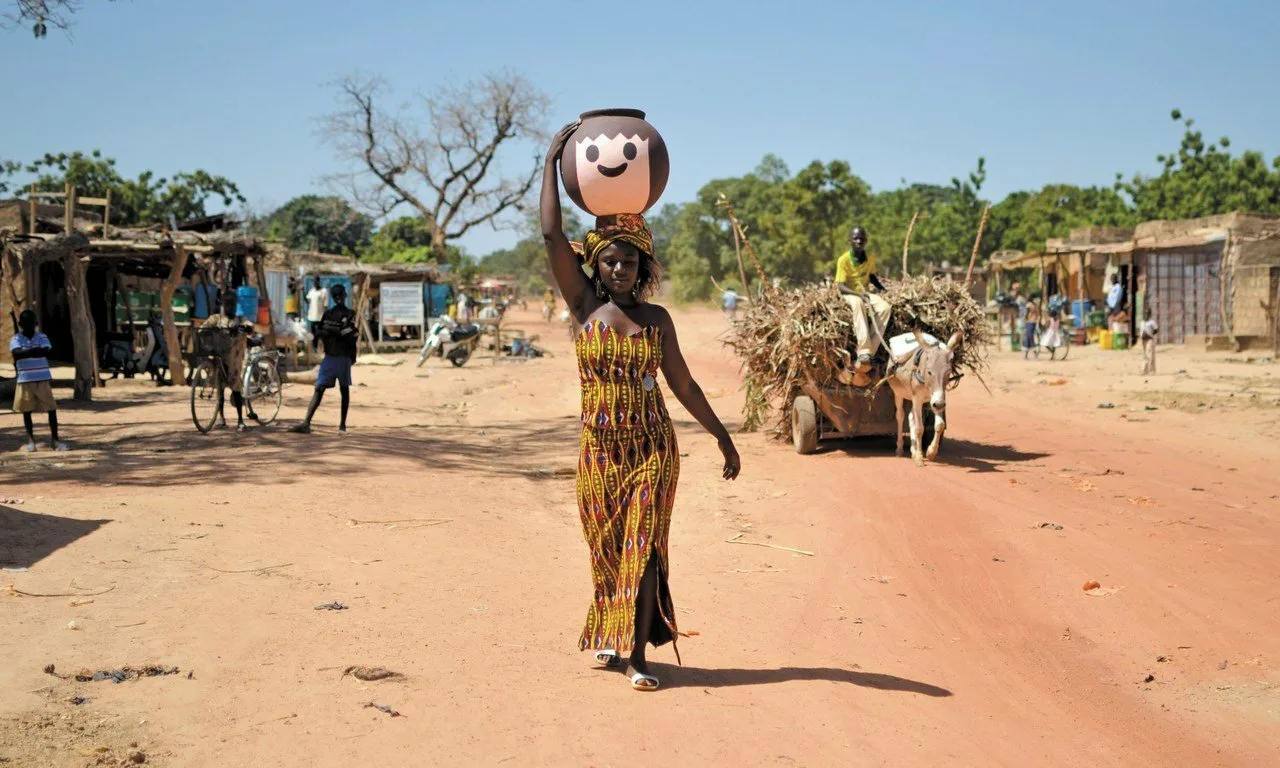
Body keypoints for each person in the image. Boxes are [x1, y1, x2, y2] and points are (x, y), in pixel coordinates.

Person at [541, 121, 741, 692]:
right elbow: (553, 239)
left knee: (645, 545)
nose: (621, 269)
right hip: (599, 453)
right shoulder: (583, 309)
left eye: (631, 261)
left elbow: (684, 385)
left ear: (643, 268)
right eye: (611, 261)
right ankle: (611, 634)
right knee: (605, 545)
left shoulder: (658, 321)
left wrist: (722, 437)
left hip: (653, 448)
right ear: (596, 268)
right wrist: (551, 163)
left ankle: (637, 657)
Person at [290, 283, 356, 434]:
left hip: (331, 357)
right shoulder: (349, 314)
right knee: (342, 390)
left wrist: (331, 334)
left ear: (332, 297)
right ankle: (341, 426)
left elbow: (321, 333)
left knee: (319, 389)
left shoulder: (328, 315)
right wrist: (352, 355)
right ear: (344, 296)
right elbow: (351, 337)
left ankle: (307, 422)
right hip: (342, 357)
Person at [9, 310, 68, 452]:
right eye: (25, 324)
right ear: (20, 325)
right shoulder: (15, 338)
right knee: (26, 411)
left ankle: (55, 440)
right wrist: (34, 351)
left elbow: (46, 351)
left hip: (42, 379)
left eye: (31, 324)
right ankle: (31, 442)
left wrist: (26, 352)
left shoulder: (42, 336)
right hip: (25, 380)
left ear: (35, 324)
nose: (29, 326)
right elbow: (16, 353)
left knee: (51, 409)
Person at [834, 226, 891, 371]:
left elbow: (871, 276)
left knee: (885, 308)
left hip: (864, 292)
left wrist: (882, 289)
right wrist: (858, 295)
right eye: (855, 239)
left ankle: (871, 350)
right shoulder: (843, 260)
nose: (859, 241)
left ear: (866, 241)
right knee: (858, 303)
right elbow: (840, 286)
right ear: (850, 241)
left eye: (861, 239)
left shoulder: (870, 257)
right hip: (848, 293)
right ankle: (864, 351)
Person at [202, 294, 254, 431]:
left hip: (234, 358)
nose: (229, 307)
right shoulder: (216, 318)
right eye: (227, 305)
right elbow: (203, 328)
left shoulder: (240, 319)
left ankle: (240, 420)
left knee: (236, 387)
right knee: (219, 388)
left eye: (232, 304)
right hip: (219, 355)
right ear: (222, 306)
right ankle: (221, 418)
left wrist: (245, 328)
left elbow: (249, 326)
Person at [305, 277, 328, 353]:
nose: (315, 283)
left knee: (321, 333)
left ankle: (324, 349)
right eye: (314, 282)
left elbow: (325, 305)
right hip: (312, 317)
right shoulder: (311, 291)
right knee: (314, 334)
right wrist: (303, 291)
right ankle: (315, 349)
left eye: (316, 282)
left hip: (320, 317)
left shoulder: (323, 291)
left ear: (319, 282)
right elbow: (307, 301)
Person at [1139, 306, 1158, 374]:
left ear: (1150, 314)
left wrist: (1150, 334)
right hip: (1143, 340)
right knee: (1144, 355)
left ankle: (1152, 370)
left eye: (1147, 313)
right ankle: (1144, 370)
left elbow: (1156, 330)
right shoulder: (1142, 322)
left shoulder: (1152, 322)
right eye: (1145, 313)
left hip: (1150, 339)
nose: (1146, 314)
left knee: (1150, 354)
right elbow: (1140, 330)